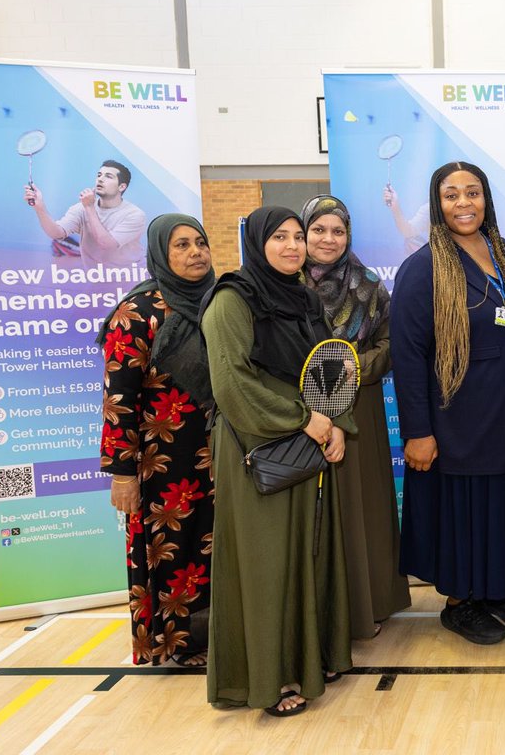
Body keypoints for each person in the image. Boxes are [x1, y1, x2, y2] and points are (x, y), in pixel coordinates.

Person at [390, 161, 505, 646]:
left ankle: (498, 588)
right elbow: (409, 355)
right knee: (466, 511)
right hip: (460, 419)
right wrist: (418, 431)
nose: (464, 203)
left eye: (473, 192)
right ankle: (461, 602)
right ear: (437, 206)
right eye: (451, 195)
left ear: (487, 200)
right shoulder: (422, 268)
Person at [202, 206, 352, 717]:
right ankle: (271, 677)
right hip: (257, 444)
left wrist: (336, 425)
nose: (293, 246)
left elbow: (325, 363)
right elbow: (232, 385)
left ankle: (309, 659)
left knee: (307, 554)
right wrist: (301, 419)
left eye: (297, 237)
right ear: (256, 242)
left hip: (308, 437)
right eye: (280, 237)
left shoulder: (303, 297)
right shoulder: (231, 300)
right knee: (269, 563)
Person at [101, 214, 216, 667]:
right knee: (171, 551)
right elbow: (118, 398)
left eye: (200, 243)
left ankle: (213, 635)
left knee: (211, 546)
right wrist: (123, 473)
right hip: (160, 463)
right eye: (182, 246)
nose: (196, 253)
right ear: (159, 254)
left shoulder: (218, 300)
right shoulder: (138, 312)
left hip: (216, 451)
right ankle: (175, 645)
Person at [301, 194, 411, 638]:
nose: (329, 239)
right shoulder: (285, 284)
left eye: (338, 231)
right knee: (313, 513)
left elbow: (391, 344)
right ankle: (317, 612)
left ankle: (368, 604)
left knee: (360, 506)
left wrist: (356, 367)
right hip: (300, 411)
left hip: (359, 406)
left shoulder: (367, 284)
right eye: (319, 230)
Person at [24, 159, 147, 266]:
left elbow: (107, 245)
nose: (100, 179)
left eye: (108, 176)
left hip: (131, 280)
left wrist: (89, 208)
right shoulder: (80, 208)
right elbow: (56, 233)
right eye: (99, 175)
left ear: (121, 187)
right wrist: (40, 207)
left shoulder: (134, 215)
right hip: (96, 280)